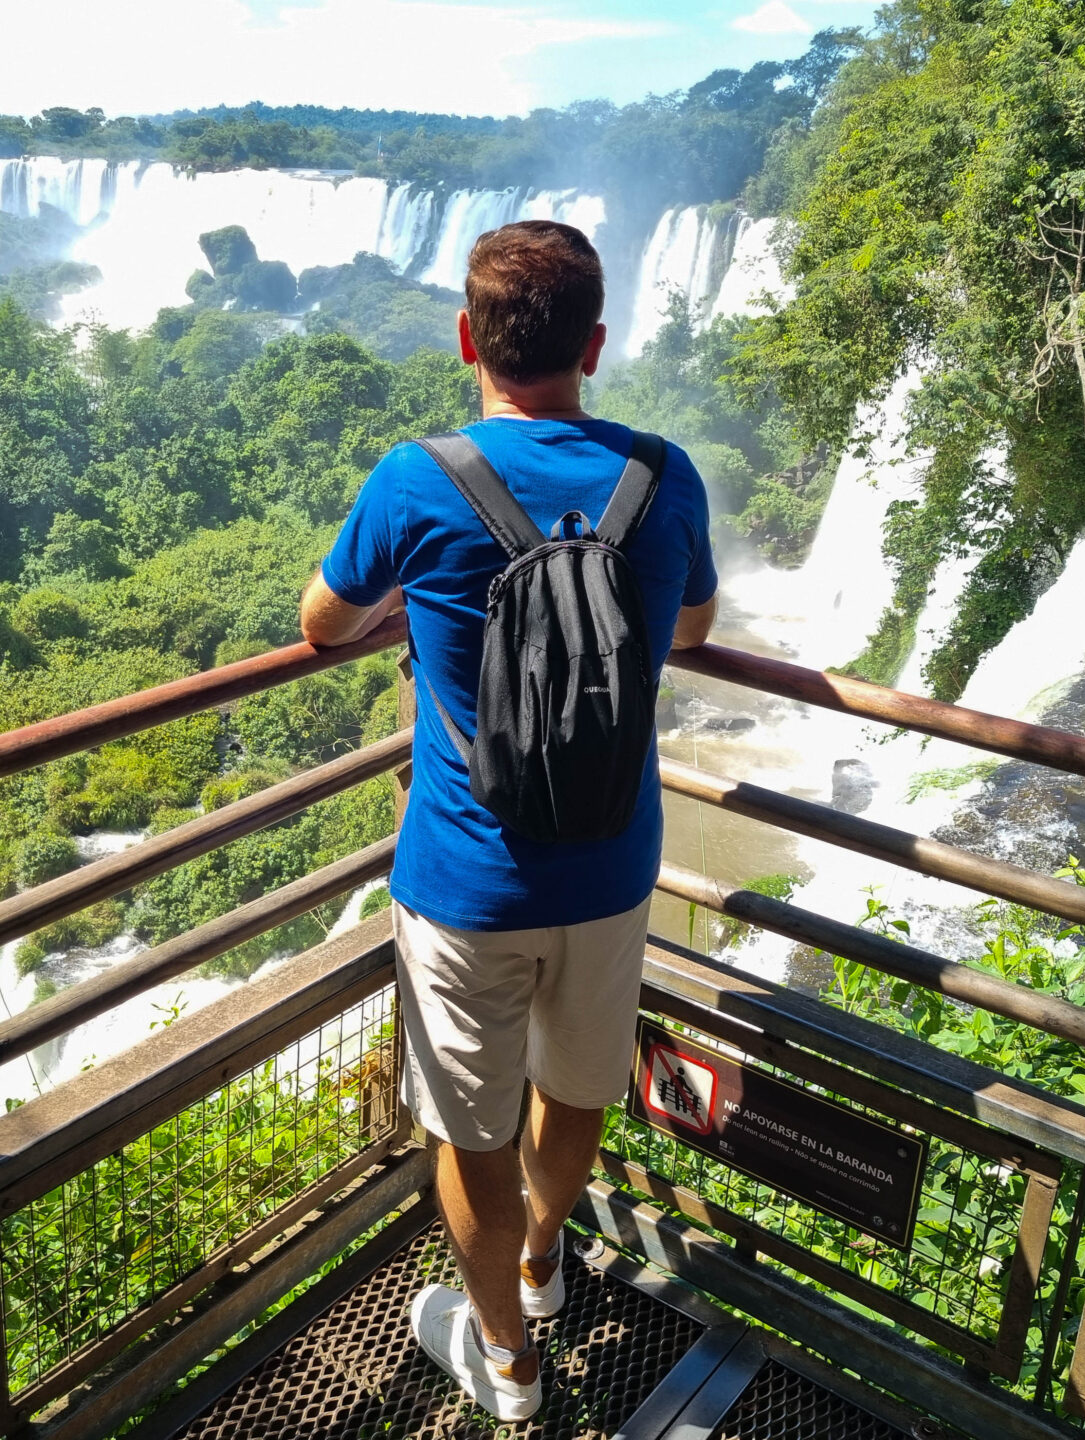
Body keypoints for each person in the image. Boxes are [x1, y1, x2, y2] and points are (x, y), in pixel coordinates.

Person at [297, 220, 717, 1421]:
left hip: (467, 881)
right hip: (613, 867)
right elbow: (688, 629)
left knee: (465, 1129)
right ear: (595, 342)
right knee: (576, 1088)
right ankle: (543, 1270)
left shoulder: (417, 477)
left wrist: (419, 620)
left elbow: (324, 622)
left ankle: (510, 1366)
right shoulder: (662, 474)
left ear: (469, 339)